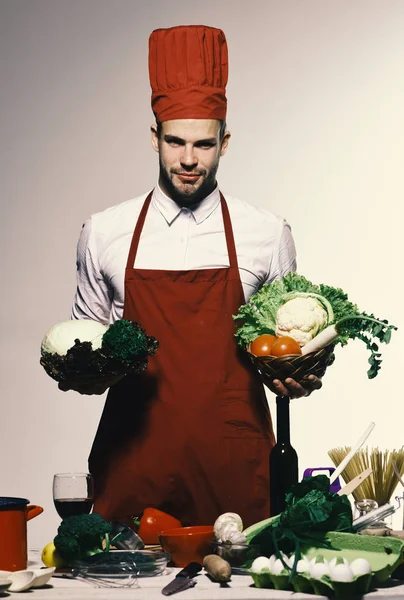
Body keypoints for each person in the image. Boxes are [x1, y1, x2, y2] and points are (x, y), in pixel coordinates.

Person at [66, 25, 322, 528]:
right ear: (154, 136)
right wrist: (81, 372)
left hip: (235, 474)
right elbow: (85, 347)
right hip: (131, 469)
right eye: (175, 141)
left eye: (204, 144)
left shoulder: (267, 234)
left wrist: (302, 376)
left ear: (225, 142)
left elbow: (290, 350)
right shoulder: (104, 233)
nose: (187, 160)